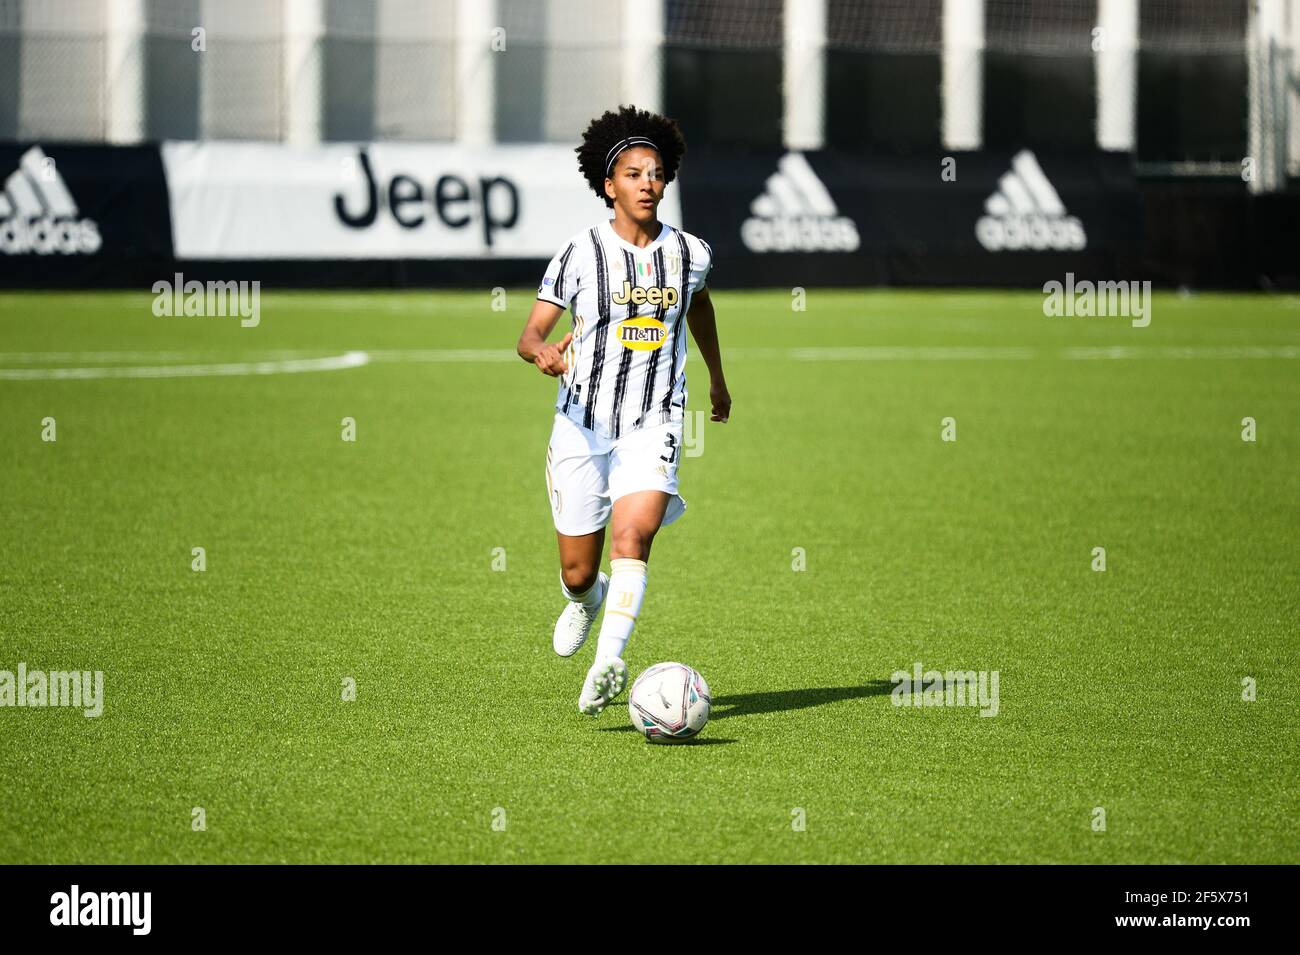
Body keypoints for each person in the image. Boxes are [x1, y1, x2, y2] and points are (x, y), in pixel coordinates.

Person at [515, 104, 731, 716]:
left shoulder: (690, 253)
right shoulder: (580, 251)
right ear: (608, 186)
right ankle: (586, 602)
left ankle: (610, 659)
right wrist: (543, 357)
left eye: (656, 173)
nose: (647, 183)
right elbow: (530, 335)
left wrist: (717, 377)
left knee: (634, 534)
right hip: (582, 423)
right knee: (580, 571)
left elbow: (700, 307)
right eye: (633, 174)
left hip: (657, 420)